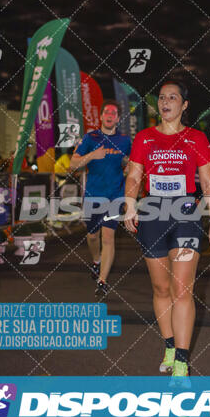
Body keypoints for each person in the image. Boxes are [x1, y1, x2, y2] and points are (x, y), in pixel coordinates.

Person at [124, 81, 210, 385]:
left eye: (173, 97)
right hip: (153, 214)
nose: (166, 102)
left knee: (182, 290)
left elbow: (207, 181)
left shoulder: (196, 138)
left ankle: (181, 362)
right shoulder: (144, 138)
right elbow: (134, 175)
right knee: (160, 289)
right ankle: (169, 346)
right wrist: (129, 205)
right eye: (162, 98)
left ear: (184, 105)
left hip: (185, 215)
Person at [70, 100, 131, 296]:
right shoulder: (90, 138)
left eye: (114, 113)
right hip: (93, 196)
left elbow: (131, 165)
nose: (110, 115)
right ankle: (96, 261)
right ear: (101, 116)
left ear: (118, 118)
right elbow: (73, 164)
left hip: (115, 196)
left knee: (108, 237)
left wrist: (130, 167)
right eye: (107, 112)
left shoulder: (125, 141)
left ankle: (102, 281)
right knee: (92, 235)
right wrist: (92, 155)